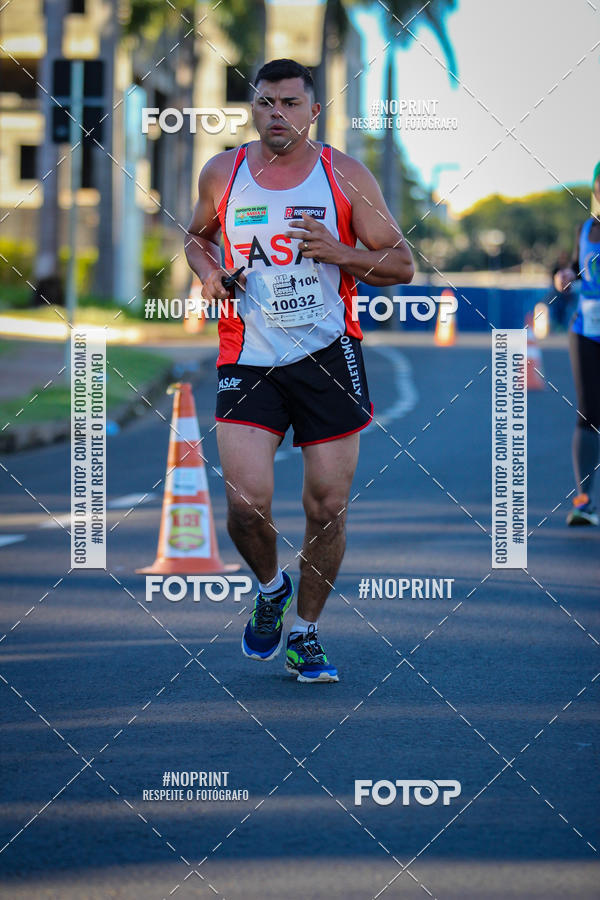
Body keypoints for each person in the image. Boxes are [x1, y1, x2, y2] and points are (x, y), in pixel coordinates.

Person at [184, 58, 414, 681]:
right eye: (265, 103)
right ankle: (269, 588)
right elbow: (197, 237)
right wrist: (209, 276)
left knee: (326, 507)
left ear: (314, 111)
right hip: (247, 356)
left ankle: (306, 633)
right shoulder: (222, 172)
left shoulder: (343, 174)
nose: (276, 114)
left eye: (289, 103)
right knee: (244, 503)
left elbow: (401, 264)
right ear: (252, 109)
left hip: (328, 357)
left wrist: (337, 252)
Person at [554, 161, 600, 526]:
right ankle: (584, 501)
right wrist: (565, 276)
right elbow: (570, 269)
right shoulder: (585, 229)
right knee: (589, 414)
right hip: (585, 330)